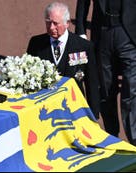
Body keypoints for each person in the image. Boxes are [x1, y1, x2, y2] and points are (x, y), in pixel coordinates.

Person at [75, 0, 136, 145]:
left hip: (129, 33)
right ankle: (112, 136)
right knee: (106, 88)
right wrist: (81, 30)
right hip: (102, 33)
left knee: (131, 88)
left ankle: (134, 140)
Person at [26, 1, 100, 119]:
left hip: (74, 110)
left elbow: (92, 84)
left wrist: (93, 115)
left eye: (56, 23)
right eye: (48, 22)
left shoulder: (84, 46)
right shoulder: (36, 44)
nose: (51, 28)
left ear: (67, 23)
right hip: (45, 111)